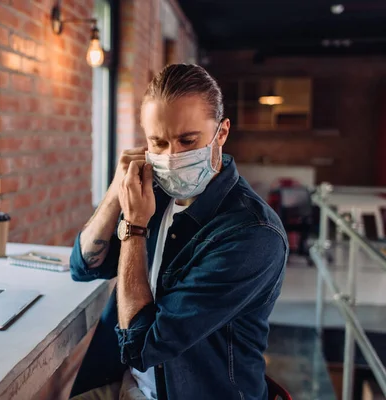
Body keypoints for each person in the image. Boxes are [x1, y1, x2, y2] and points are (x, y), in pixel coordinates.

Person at [68, 64, 288, 400]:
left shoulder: (253, 234)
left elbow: (143, 346)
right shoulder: (153, 192)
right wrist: (116, 192)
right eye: (158, 142)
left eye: (188, 140)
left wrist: (135, 227)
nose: (172, 157)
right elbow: (84, 265)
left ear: (222, 133)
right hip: (127, 382)